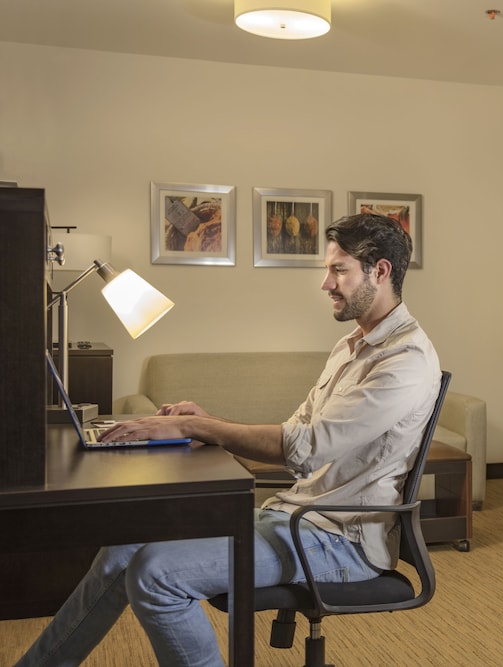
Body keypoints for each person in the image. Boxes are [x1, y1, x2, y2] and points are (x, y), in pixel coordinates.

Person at [16, 213, 441, 667]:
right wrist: (206, 419)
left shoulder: (405, 359)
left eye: (339, 270)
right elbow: (295, 432)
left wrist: (195, 428)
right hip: (292, 515)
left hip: (340, 540)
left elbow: (306, 448)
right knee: (124, 545)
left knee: (157, 576)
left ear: (380, 271)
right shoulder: (350, 346)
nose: (326, 284)